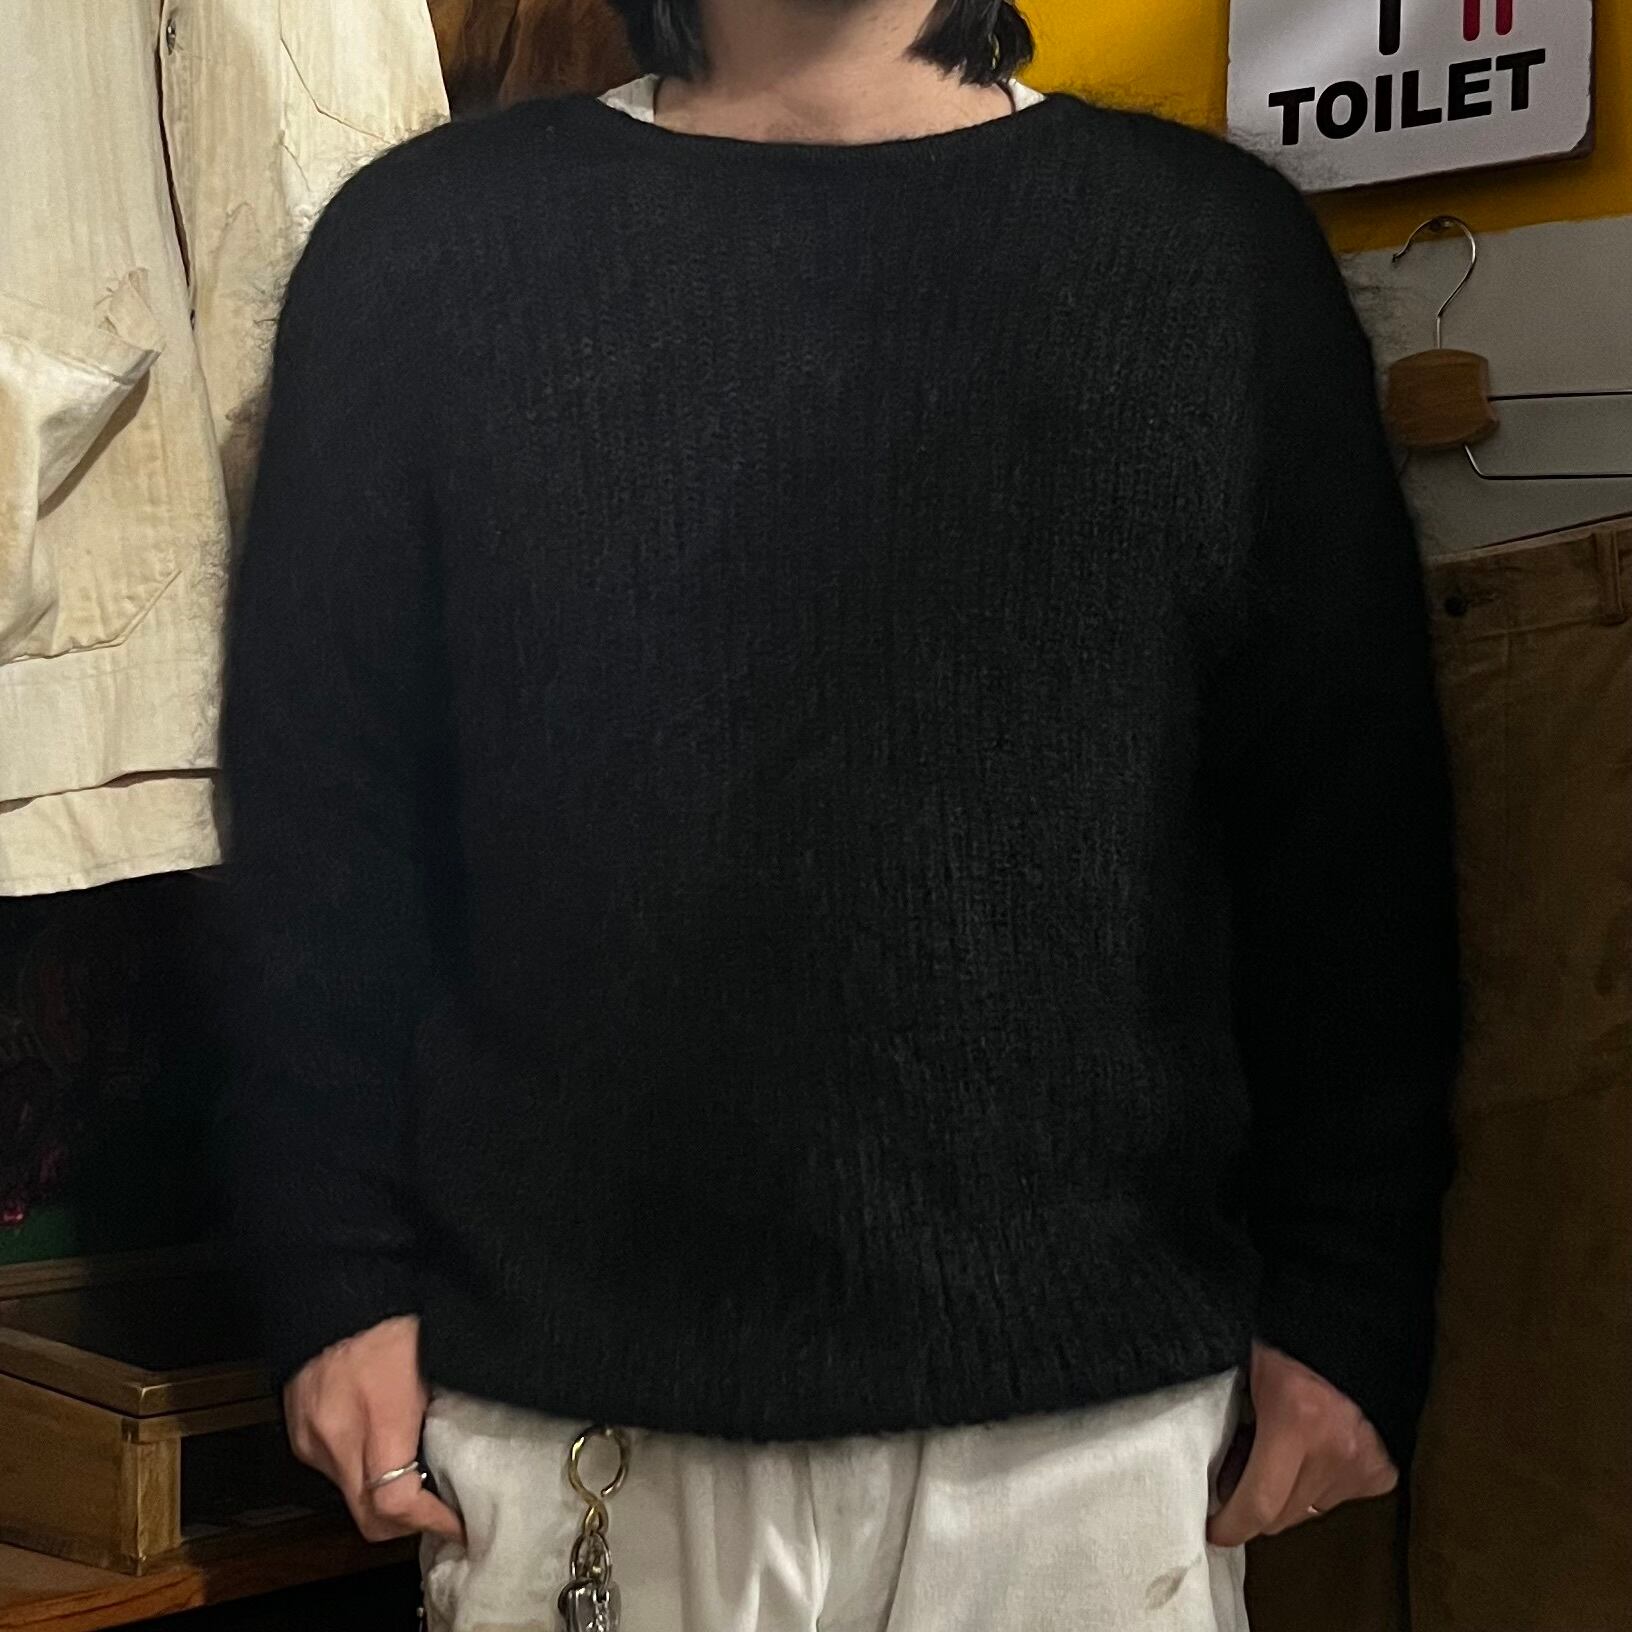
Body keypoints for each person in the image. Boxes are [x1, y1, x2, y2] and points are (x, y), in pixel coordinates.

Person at [220, 1, 1460, 1626]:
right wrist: (329, 1273)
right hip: (571, 1412)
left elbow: (1350, 845)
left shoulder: (1211, 257)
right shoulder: (420, 254)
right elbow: (323, 831)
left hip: (1097, 1441)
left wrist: (1355, 1300)